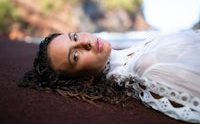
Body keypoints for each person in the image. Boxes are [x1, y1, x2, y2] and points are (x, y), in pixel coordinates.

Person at [20, 30, 200, 123]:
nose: (86, 42)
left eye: (74, 36)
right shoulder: (147, 69)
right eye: (75, 56)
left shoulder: (134, 57)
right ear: (85, 79)